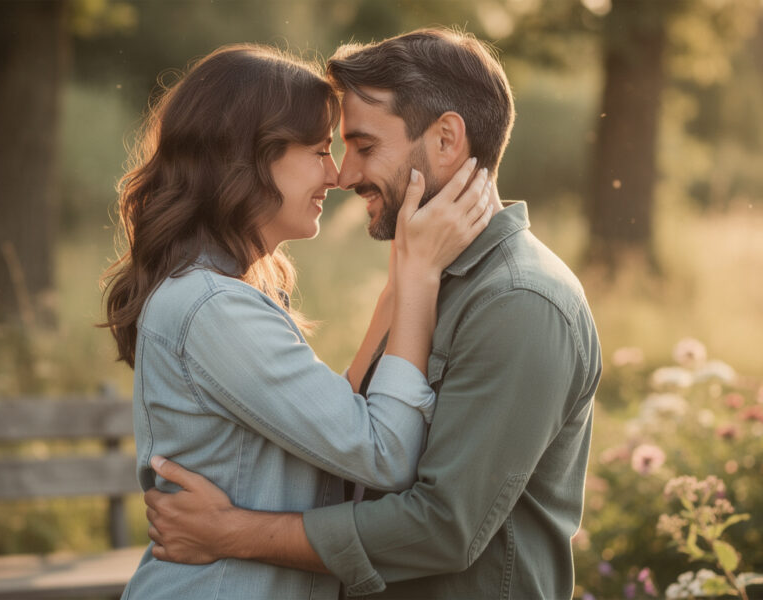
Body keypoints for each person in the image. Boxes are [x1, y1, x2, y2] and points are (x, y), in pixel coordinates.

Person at [143, 28, 603, 600]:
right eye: (329, 150)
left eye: (363, 146)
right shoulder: (427, 279)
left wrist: (234, 533)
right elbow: (353, 449)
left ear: (445, 139)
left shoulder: (516, 302)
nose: (345, 174)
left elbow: (442, 527)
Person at [100, 44, 494, 600]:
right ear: (250, 158)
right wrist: (420, 278)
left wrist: (402, 277)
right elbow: (384, 453)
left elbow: (341, 424)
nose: (336, 175)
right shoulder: (213, 308)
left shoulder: (222, 295)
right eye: (318, 149)